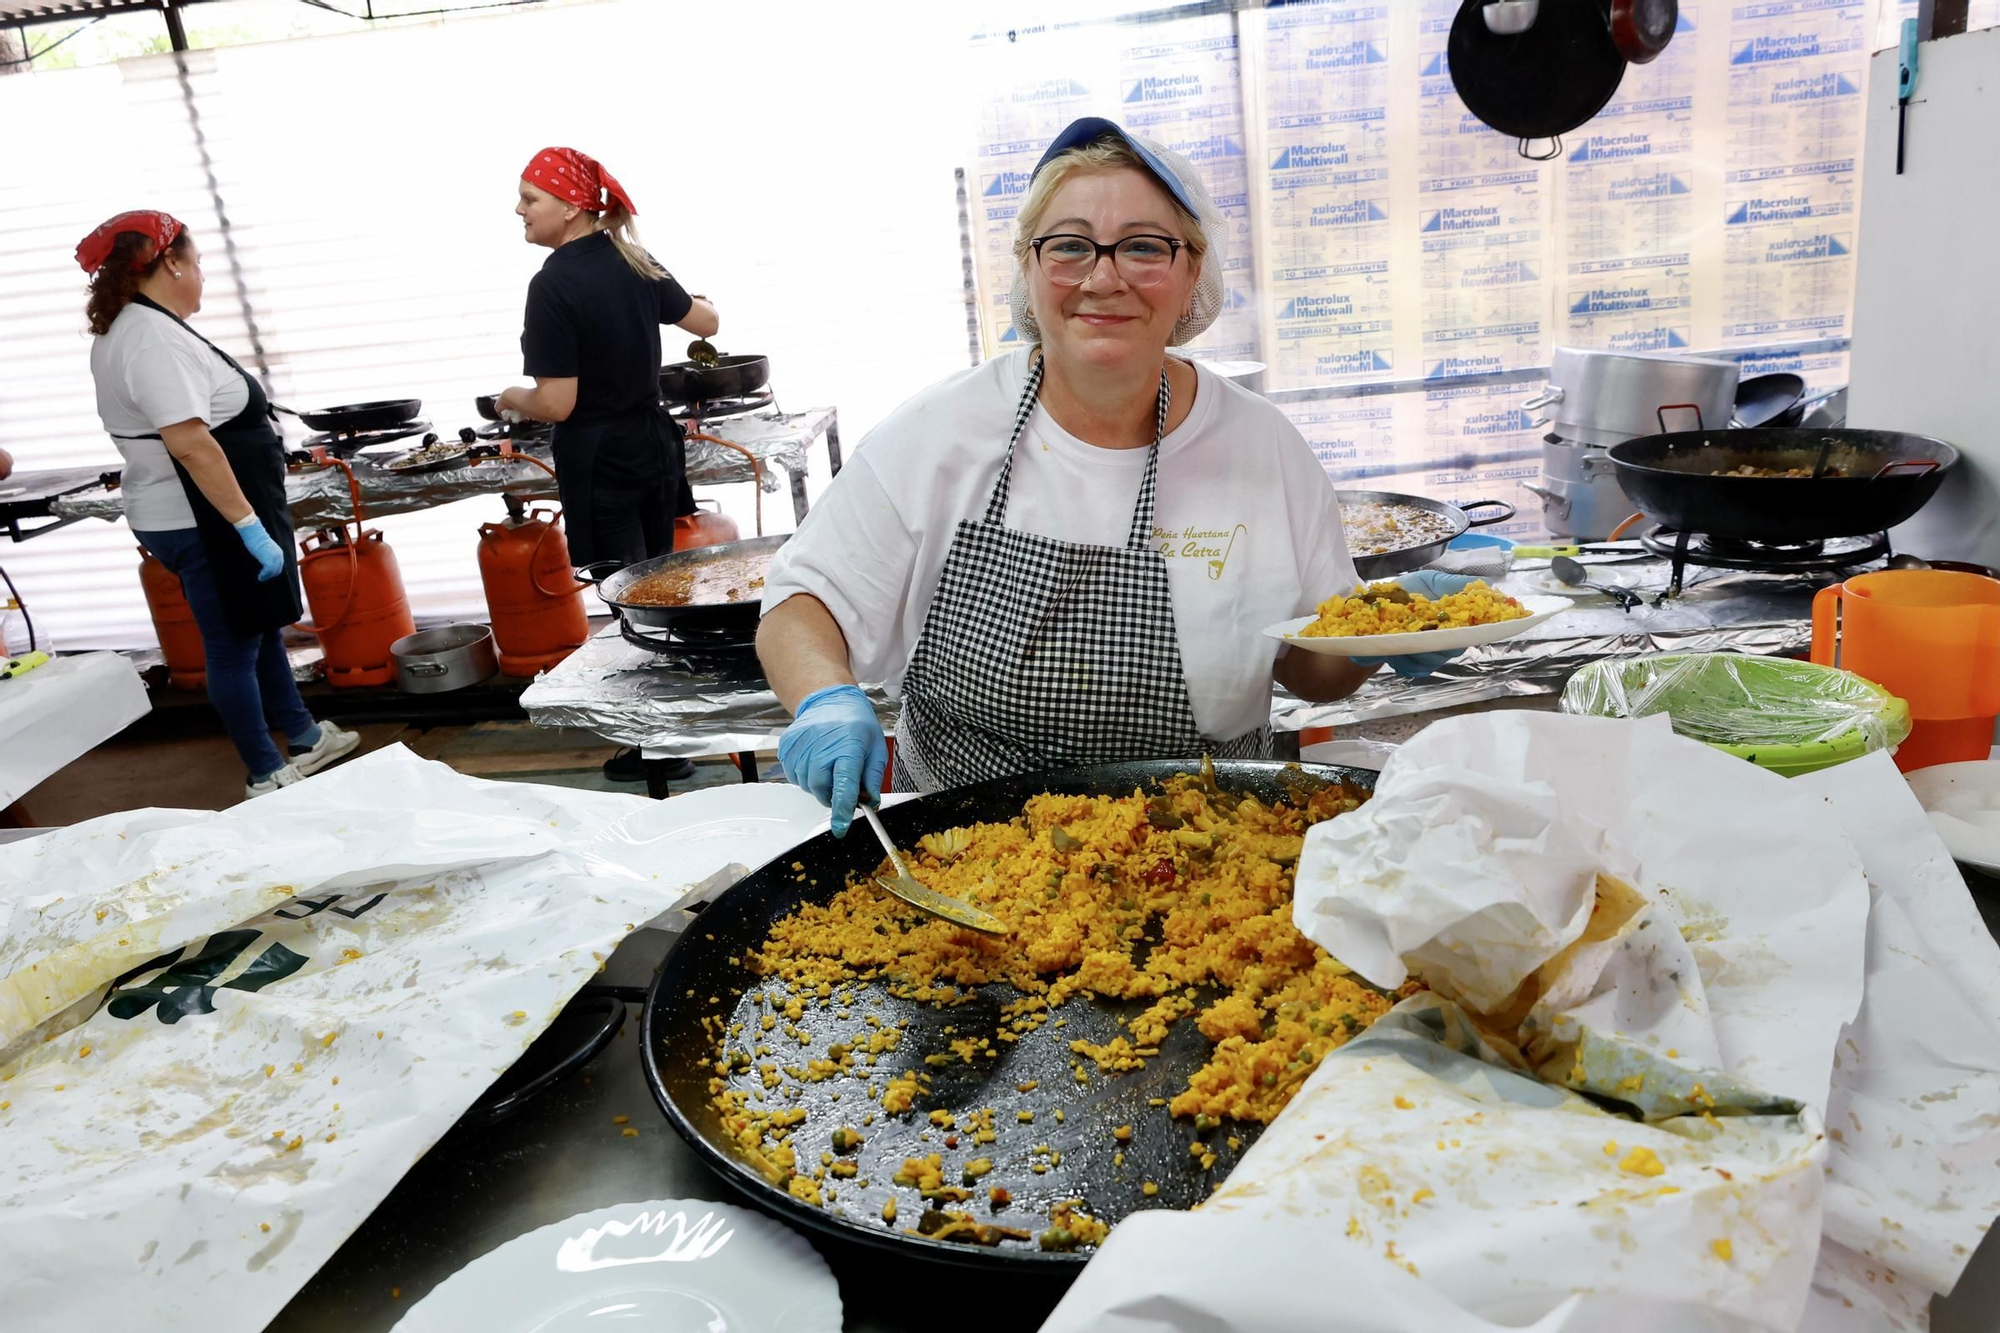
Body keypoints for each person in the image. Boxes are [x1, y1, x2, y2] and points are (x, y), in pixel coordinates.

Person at [758, 118, 1469, 834]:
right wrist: (824, 699)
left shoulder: (1265, 450)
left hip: (1208, 859)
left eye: (1143, 247)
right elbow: (802, 603)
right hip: (968, 855)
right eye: (1069, 246)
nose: (1103, 277)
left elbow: (1308, 669)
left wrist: (1389, 629)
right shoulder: (938, 435)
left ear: (1192, 270)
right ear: (1028, 270)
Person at [79, 210, 359, 799]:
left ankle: (304, 737)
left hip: (198, 511)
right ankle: (264, 770)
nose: (201, 274)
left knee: (256, 626)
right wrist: (248, 525)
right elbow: (189, 443)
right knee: (231, 644)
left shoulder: (142, 327)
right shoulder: (150, 338)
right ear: (170, 262)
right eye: (198, 262)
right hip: (201, 517)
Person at [499, 147, 720, 785]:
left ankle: (656, 746)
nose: (519, 209)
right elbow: (706, 319)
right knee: (660, 591)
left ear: (570, 207)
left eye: (530, 198)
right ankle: (672, 733)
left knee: (626, 599)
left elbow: (558, 402)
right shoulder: (634, 260)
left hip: (600, 459)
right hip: (652, 446)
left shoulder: (554, 284)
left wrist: (512, 398)